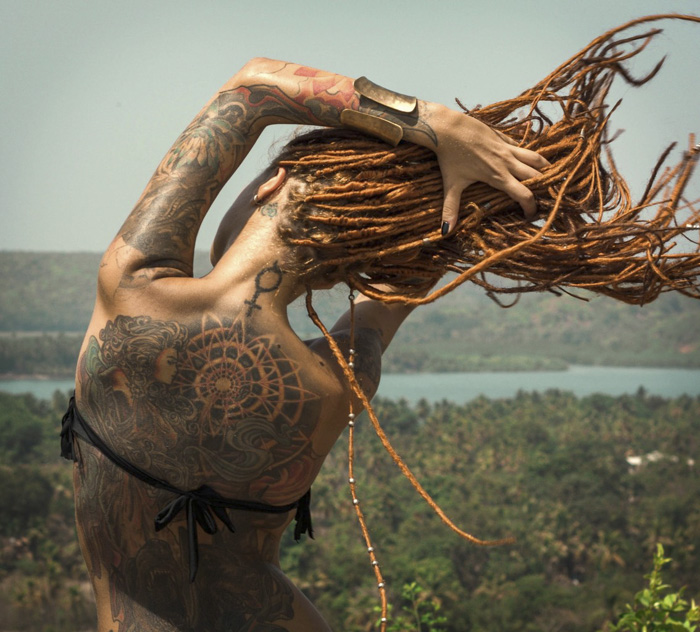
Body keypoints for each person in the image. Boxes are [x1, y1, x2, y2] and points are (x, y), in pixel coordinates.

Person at [61, 15, 699, 632]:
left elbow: (251, 87)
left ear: (272, 182)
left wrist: (433, 123)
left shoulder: (132, 287)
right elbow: (404, 280)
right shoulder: (340, 380)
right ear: (363, 261)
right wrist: (446, 213)